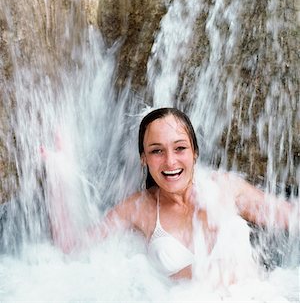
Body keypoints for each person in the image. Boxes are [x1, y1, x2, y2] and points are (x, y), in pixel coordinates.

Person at [45, 107, 297, 283]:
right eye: (157, 151)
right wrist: (59, 173)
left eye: (180, 148)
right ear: (144, 159)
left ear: (194, 152)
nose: (170, 161)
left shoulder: (225, 188)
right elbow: (72, 249)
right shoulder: (138, 208)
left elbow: (290, 216)